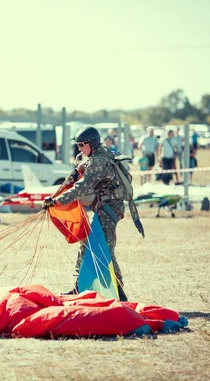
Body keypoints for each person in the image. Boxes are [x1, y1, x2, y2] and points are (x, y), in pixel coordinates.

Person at [44, 127, 142, 302]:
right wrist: (57, 193)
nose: (80, 148)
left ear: (93, 143)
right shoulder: (96, 157)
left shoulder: (99, 161)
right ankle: (79, 287)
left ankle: (120, 294)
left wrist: (59, 201)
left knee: (105, 250)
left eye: (82, 145)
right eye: (78, 145)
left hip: (110, 209)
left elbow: (84, 185)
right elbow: (79, 177)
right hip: (102, 207)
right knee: (86, 245)